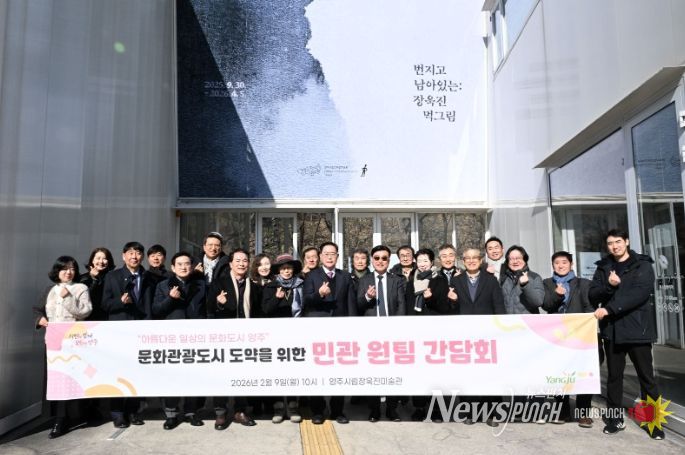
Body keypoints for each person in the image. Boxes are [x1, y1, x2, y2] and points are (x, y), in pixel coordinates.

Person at [589, 229, 663, 440]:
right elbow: (593, 295)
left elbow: (639, 294)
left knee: (646, 378)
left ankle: (654, 422)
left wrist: (610, 309)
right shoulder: (603, 267)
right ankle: (614, 420)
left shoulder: (642, 265)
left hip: (638, 330)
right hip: (612, 331)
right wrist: (609, 286)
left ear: (627, 242)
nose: (615, 246)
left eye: (618, 241)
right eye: (610, 243)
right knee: (614, 378)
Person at [36, 256, 92, 438]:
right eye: (64, 268)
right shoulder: (50, 289)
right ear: (57, 271)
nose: (68, 272)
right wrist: (39, 319)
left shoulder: (81, 288)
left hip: (73, 341)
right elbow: (37, 309)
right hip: (53, 341)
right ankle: (57, 418)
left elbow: (85, 312)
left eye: (72, 268)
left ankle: (66, 418)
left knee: (70, 379)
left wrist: (68, 297)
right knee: (55, 380)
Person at [102, 241, 154, 428]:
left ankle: (133, 411)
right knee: (118, 374)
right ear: (123, 256)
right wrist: (120, 302)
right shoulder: (112, 276)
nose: (134, 257)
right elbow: (105, 304)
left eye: (138, 253)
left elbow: (150, 305)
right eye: (130, 253)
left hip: (141, 333)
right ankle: (117, 413)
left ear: (142, 257)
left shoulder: (148, 277)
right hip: (119, 333)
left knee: (137, 373)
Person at [207, 248, 261, 428]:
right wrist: (219, 303)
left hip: (247, 337)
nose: (241, 264)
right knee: (221, 375)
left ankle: (240, 411)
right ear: (230, 264)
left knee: (243, 375)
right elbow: (209, 308)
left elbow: (258, 312)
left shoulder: (253, 285)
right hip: (224, 337)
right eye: (237, 260)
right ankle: (220, 413)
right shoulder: (219, 283)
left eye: (244, 260)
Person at [152, 252, 206, 430]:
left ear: (192, 266)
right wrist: (170, 299)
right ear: (173, 268)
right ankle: (171, 414)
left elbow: (207, 310)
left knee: (193, 376)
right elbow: (156, 310)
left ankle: (191, 412)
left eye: (187, 264)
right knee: (172, 377)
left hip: (195, 338)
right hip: (172, 339)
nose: (184, 267)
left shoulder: (201, 284)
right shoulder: (163, 285)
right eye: (180, 264)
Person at [302, 241, 355, 424]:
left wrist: (353, 327)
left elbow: (350, 303)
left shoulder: (345, 276)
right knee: (316, 371)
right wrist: (320, 294)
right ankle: (317, 410)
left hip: (341, 331)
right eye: (326, 254)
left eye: (333, 254)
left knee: (339, 371)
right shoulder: (311, 275)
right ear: (320, 256)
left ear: (337, 257)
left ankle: (337, 410)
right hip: (317, 330)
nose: (329, 257)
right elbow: (306, 301)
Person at [451, 247, 504, 427]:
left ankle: (492, 412)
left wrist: (500, 331)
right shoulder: (456, 280)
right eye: (468, 258)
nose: (471, 261)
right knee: (467, 374)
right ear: (463, 261)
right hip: (464, 336)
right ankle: (469, 411)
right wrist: (452, 300)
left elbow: (499, 306)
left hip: (488, 335)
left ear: (481, 260)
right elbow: (451, 311)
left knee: (490, 374)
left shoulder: (491, 280)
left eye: (475, 258)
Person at [542, 251, 595, 428]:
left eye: (564, 262)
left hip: (580, 335)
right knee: (560, 373)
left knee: (583, 373)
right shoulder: (547, 283)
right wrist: (557, 295)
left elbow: (589, 307)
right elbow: (546, 305)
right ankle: (562, 412)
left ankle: (583, 413)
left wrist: (587, 328)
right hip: (557, 336)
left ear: (571, 264)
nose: (561, 265)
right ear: (553, 265)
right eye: (557, 263)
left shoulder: (583, 283)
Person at [356, 245, 406, 422]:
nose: (380, 261)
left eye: (384, 258)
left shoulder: (396, 280)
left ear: (389, 260)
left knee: (393, 372)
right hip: (371, 334)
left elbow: (401, 305)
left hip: (392, 333)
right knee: (373, 372)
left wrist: (397, 329)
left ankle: (392, 409)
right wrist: (367, 297)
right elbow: (358, 305)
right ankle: (374, 409)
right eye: (376, 258)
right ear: (372, 260)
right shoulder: (364, 280)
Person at [262, 254, 304, 423]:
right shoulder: (270, 286)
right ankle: (278, 406)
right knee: (277, 370)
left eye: (289, 268)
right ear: (278, 270)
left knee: (293, 370)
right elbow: (265, 310)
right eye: (283, 268)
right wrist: (276, 298)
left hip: (297, 334)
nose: (287, 271)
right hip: (276, 335)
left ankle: (293, 405)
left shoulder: (300, 285)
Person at [500, 245, 544, 314]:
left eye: (518, 258)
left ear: (525, 260)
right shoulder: (504, 278)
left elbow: (538, 302)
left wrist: (525, 285)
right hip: (507, 320)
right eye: (511, 259)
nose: (515, 261)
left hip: (527, 320)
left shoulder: (534, 277)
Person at [78, 248, 115, 322]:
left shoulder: (114, 278)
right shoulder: (83, 279)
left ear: (109, 261)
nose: (101, 261)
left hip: (108, 319)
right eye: (98, 258)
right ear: (92, 260)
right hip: (88, 320)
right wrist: (93, 279)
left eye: (104, 259)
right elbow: (85, 299)